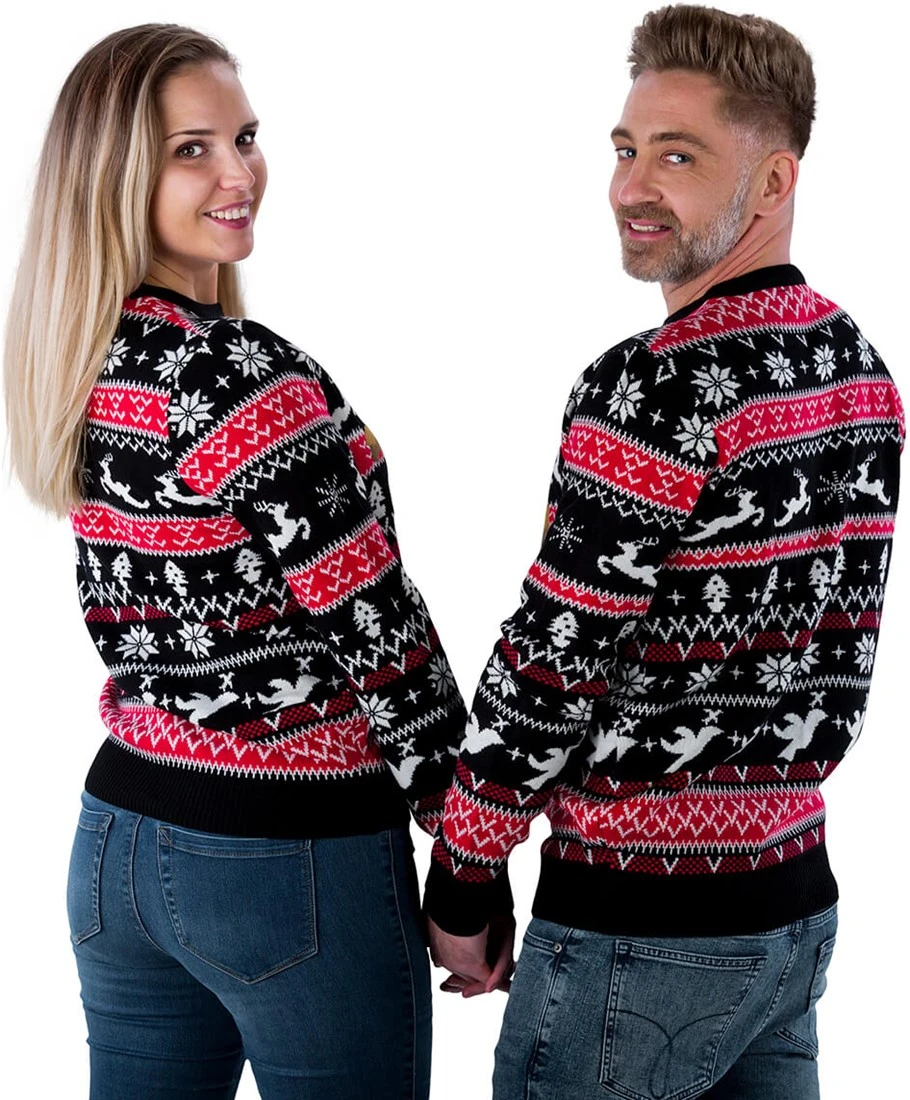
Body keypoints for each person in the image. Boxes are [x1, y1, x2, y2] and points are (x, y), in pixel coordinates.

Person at [423, 6, 904, 1098]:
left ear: (774, 180)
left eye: (677, 156)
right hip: (792, 912)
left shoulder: (651, 385)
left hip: (636, 928)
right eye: (624, 149)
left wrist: (464, 871)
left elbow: (554, 654)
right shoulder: (858, 368)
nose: (631, 187)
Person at [3, 24, 466, 1100]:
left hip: (117, 841)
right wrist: (467, 853)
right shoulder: (238, 375)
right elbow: (377, 630)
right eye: (191, 150)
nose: (239, 173)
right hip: (285, 851)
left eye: (245, 138)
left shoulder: (83, 358)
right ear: (117, 176)